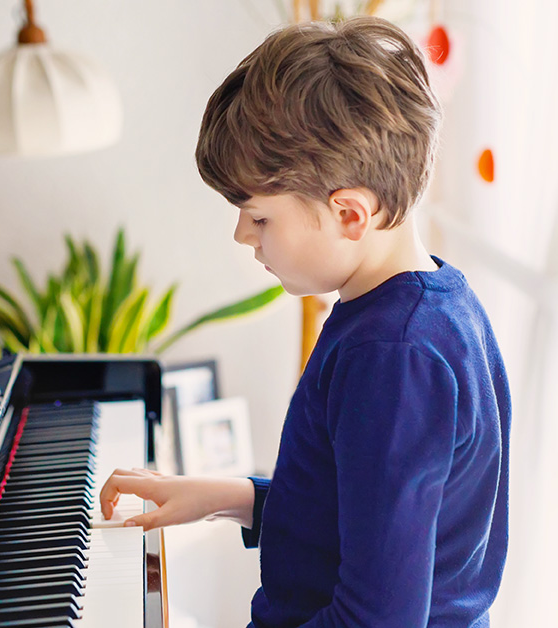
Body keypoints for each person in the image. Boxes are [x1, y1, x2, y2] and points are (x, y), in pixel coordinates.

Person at [99, 16, 510, 627]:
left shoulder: (393, 357)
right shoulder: (427, 309)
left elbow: (378, 619)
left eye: (259, 217)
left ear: (349, 213)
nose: (242, 235)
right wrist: (226, 498)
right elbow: (354, 520)